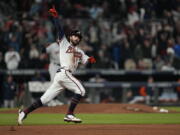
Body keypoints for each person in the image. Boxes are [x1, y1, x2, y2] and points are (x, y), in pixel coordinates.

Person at [18, 6, 96, 125]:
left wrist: (91, 59)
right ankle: (69, 114)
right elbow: (59, 29)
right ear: (70, 37)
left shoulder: (80, 52)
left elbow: (87, 60)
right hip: (64, 73)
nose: (77, 38)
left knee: (45, 99)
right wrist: (55, 17)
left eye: (78, 37)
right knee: (81, 91)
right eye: (75, 35)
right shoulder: (64, 43)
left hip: (61, 76)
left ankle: (24, 113)